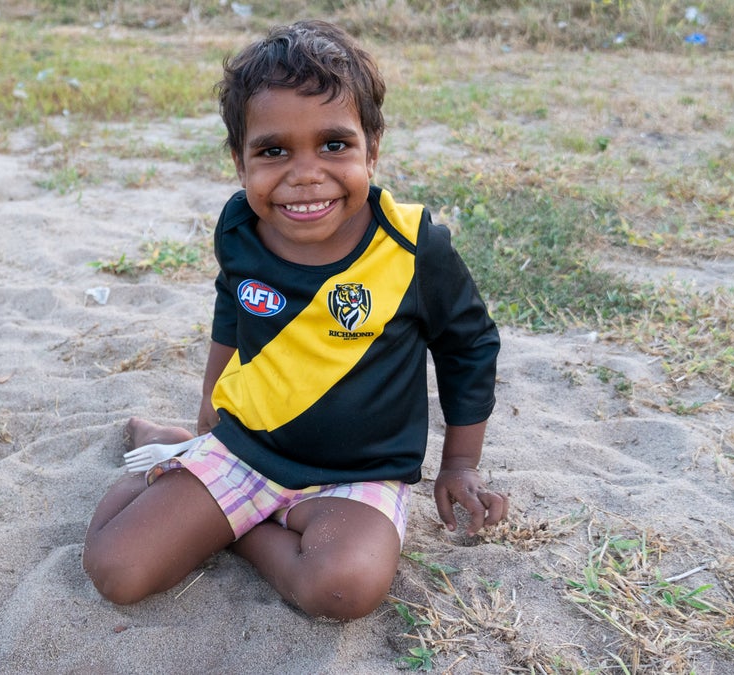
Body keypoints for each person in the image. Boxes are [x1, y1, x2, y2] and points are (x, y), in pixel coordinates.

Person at [83, 19, 506, 621]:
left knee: (343, 588)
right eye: (273, 150)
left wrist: (460, 464)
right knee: (116, 570)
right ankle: (176, 453)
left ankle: (230, 521)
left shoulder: (413, 248)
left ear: (373, 146)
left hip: (357, 477)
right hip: (246, 449)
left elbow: (470, 348)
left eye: (334, 144)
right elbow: (230, 313)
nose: (305, 174)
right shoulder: (240, 229)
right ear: (239, 160)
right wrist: (209, 418)